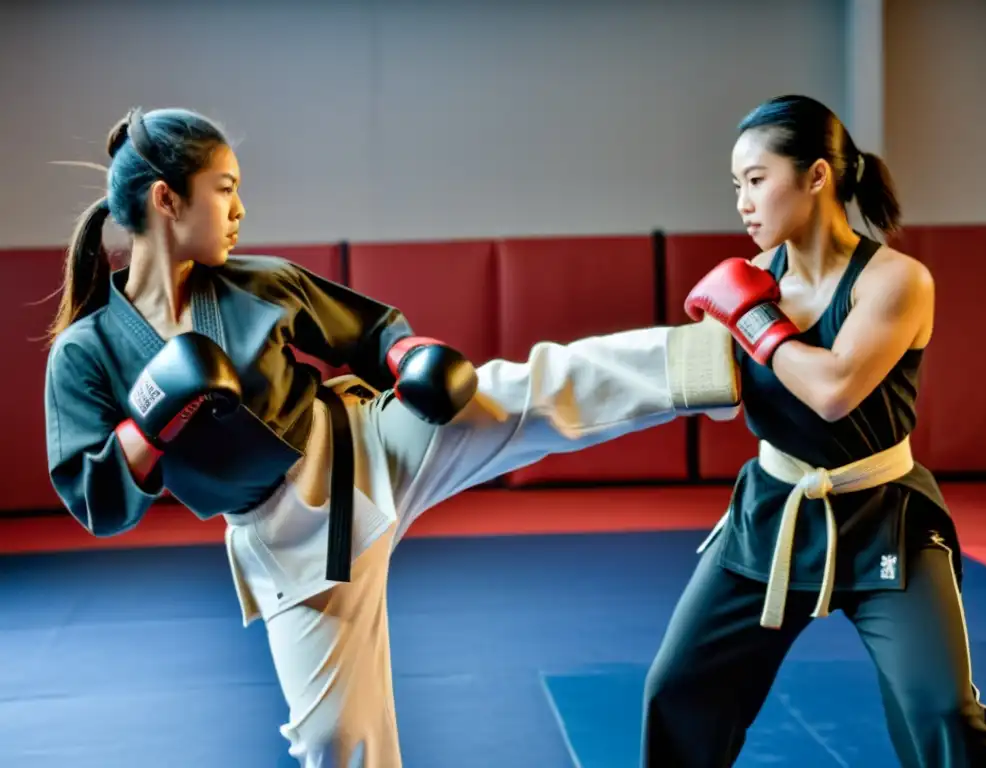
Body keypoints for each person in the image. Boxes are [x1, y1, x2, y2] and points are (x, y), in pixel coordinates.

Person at [43, 107, 742, 768]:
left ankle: (720, 358)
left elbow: (374, 333)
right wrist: (152, 420)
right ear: (167, 201)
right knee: (336, 737)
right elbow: (98, 502)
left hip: (364, 445)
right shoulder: (87, 350)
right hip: (284, 539)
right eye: (224, 190)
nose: (239, 211)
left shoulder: (261, 281)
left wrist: (414, 360)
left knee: (527, 391)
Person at [639, 94, 986, 768]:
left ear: (817, 176)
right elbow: (721, 403)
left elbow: (835, 391)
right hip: (772, 512)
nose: (742, 203)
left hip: (884, 517)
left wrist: (751, 323)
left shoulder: (898, 281)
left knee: (940, 711)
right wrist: (701, 348)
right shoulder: (752, 280)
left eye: (757, 181)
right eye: (736, 187)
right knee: (676, 690)